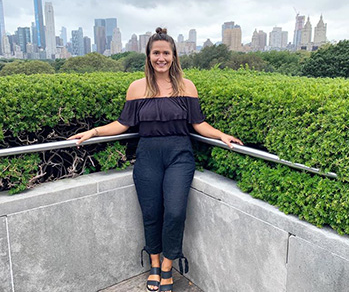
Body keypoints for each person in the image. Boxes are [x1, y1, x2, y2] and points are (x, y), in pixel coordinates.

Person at [68, 27, 243, 292]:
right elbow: (122, 124)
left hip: (179, 155)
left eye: (166, 53)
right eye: (156, 53)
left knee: (174, 212)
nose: (161, 58)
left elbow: (198, 123)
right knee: (151, 213)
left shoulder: (187, 86)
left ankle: (167, 265)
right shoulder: (137, 88)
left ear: (174, 56)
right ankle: (153, 263)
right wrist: (93, 131)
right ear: (148, 56)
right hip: (148, 155)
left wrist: (221, 135)